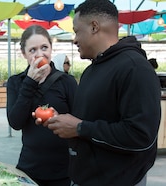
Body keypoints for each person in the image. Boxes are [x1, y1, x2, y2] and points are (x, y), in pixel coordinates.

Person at [40, 0, 161, 185]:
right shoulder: (92, 70)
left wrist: (79, 127)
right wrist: (64, 121)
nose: (74, 40)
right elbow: (92, 118)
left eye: (76, 31)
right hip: (86, 177)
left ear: (94, 27)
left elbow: (140, 137)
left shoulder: (134, 68)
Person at [6, 25, 77, 186]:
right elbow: (15, 122)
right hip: (28, 169)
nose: (40, 54)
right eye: (32, 50)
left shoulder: (66, 82)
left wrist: (61, 119)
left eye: (44, 47)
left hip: (62, 170)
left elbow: (79, 119)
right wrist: (30, 83)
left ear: (51, 49)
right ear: (24, 54)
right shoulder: (16, 82)